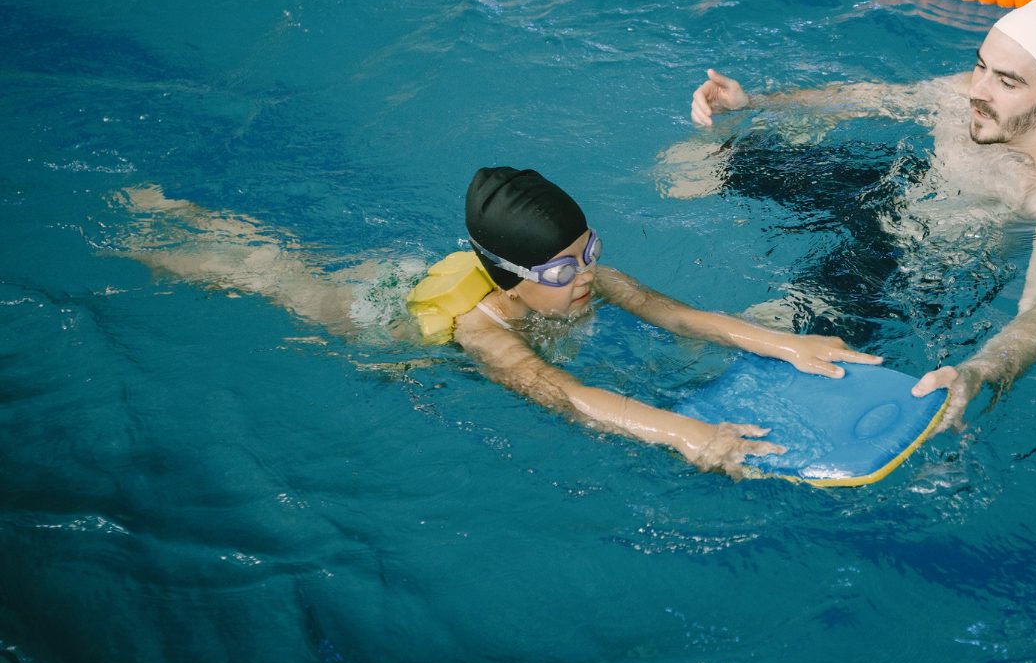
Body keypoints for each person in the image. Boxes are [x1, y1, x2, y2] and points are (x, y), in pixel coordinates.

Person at [115, 168, 879, 477]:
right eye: (560, 269)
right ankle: (163, 228)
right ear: (512, 275)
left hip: (445, 273)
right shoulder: (483, 334)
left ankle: (182, 218)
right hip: (372, 319)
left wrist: (789, 342)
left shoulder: (582, 275)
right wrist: (686, 434)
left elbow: (674, 313)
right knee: (275, 277)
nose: (584, 277)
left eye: (588, 254)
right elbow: (564, 394)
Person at [677, 0, 1036, 430]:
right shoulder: (971, 93)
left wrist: (980, 370)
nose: (978, 91)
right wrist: (755, 103)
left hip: (914, 264)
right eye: (980, 65)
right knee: (694, 164)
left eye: (1007, 82)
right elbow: (866, 97)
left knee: (763, 339)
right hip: (893, 188)